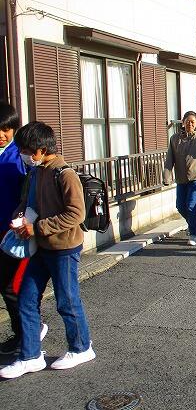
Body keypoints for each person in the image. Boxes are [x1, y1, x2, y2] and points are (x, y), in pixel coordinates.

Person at [0, 122, 94, 379]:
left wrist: (38, 227)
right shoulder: (36, 173)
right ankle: (30, 356)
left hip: (64, 248)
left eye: (26, 150)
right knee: (26, 299)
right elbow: (25, 202)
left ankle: (81, 348)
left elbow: (76, 214)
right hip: (40, 247)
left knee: (67, 300)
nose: (23, 155)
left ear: (41, 150)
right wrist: (19, 218)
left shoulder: (65, 174)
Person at [0, 104, 45, 355]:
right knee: (5, 285)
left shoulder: (21, 155)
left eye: (6, 129)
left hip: (18, 232)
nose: (1, 135)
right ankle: (23, 333)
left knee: (14, 286)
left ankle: (28, 333)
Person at [163, 111, 196, 246]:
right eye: (187, 121)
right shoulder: (174, 139)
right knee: (180, 206)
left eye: (193, 122)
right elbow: (170, 159)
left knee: (191, 206)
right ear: (183, 122)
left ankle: (194, 234)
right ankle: (192, 224)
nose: (190, 124)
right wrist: (167, 177)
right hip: (181, 178)